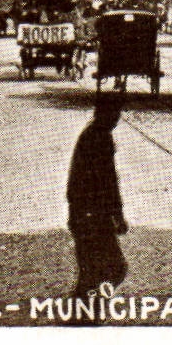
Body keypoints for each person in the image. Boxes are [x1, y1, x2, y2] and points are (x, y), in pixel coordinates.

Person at [68, 95, 129, 297]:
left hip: (84, 214)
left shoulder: (92, 134)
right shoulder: (100, 138)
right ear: (104, 113)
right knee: (114, 269)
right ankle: (85, 314)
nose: (117, 119)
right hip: (92, 216)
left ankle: (83, 313)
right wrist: (117, 217)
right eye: (115, 114)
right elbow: (108, 182)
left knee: (92, 273)